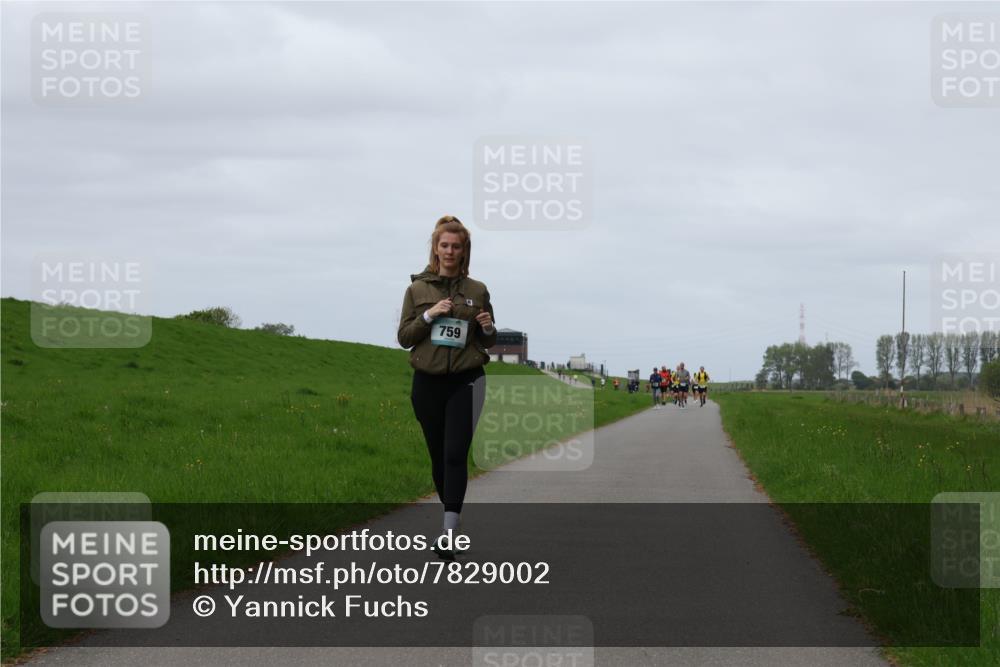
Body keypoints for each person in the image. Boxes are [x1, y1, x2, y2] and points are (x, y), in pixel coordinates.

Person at [397, 215, 496, 560]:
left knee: (455, 453)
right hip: (427, 382)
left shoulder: (477, 291)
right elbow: (404, 338)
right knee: (438, 457)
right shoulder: (417, 290)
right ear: (435, 249)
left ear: (464, 251)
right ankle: (451, 510)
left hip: (467, 379)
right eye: (444, 245)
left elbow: (490, 339)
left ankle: (449, 533)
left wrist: (486, 327)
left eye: (456, 246)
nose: (450, 251)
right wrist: (429, 316)